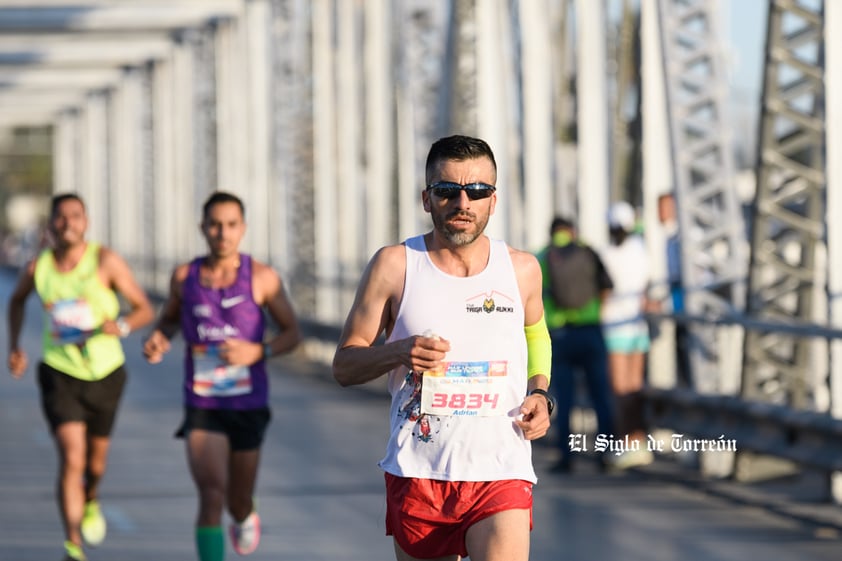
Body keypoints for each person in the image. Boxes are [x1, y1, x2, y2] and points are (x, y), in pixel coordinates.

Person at [332, 135, 553, 561]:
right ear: (426, 198)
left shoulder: (522, 269)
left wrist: (540, 393)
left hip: (500, 470)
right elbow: (344, 365)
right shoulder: (395, 265)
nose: (463, 202)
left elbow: (535, 334)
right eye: (447, 191)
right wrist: (399, 352)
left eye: (477, 191)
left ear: (494, 200)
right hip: (419, 472)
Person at [142, 191, 301, 561]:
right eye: (214, 225)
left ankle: (245, 513)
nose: (222, 233)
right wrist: (158, 338)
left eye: (231, 225)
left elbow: (293, 334)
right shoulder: (185, 277)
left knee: (237, 499)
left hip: (248, 402)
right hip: (203, 402)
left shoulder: (261, 277)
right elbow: (168, 320)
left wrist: (258, 350)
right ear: (203, 228)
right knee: (212, 492)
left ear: (242, 229)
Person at [6, 192, 155, 561]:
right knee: (72, 458)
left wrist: (118, 325)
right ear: (51, 225)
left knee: (95, 464)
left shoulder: (105, 261)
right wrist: (15, 346)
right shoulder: (37, 268)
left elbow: (144, 310)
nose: (68, 223)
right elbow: (16, 301)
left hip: (106, 373)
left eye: (76, 216)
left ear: (86, 222)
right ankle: (73, 545)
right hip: (59, 372)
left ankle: (92, 496)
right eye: (60, 217)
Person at [536, 216, 615, 473]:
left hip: (560, 334)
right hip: (590, 331)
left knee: (564, 399)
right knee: (600, 396)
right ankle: (605, 454)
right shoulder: (588, 251)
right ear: (572, 231)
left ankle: (566, 456)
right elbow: (607, 286)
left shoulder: (543, 257)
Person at [600, 201, 655, 469]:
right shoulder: (640, 251)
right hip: (638, 326)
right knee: (635, 389)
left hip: (614, 326)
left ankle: (624, 444)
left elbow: (603, 292)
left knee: (620, 391)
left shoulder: (608, 254)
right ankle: (639, 440)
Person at [657, 192, 692, 387]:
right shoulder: (669, 237)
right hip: (677, 310)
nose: (660, 213)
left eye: (664, 208)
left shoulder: (683, 237)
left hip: (687, 308)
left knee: (689, 355)